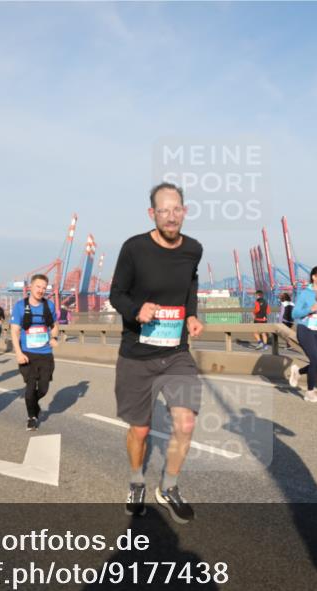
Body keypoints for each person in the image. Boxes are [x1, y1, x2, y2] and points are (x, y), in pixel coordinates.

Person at [110, 182, 204, 524]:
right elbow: (116, 294)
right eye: (163, 210)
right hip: (137, 353)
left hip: (176, 351)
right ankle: (136, 481)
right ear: (152, 213)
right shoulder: (134, 248)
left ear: (185, 210)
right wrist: (137, 310)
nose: (170, 216)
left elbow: (191, 283)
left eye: (176, 209)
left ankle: (170, 486)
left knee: (186, 422)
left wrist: (192, 314)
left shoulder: (193, 249)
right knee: (141, 430)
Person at [11, 274, 60, 430]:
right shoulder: (20, 306)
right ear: (30, 287)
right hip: (27, 354)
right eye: (38, 286)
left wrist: (54, 337)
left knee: (44, 389)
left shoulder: (49, 306)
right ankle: (31, 417)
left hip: (45, 354)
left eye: (44, 288)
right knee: (30, 387)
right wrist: (18, 353)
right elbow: (15, 332)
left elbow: (55, 326)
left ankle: (33, 404)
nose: (41, 290)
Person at [289, 266, 317, 403]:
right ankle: (310, 392)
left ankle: (297, 372)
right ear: (314, 277)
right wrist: (309, 310)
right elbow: (294, 314)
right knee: (316, 361)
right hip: (305, 330)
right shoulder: (305, 293)